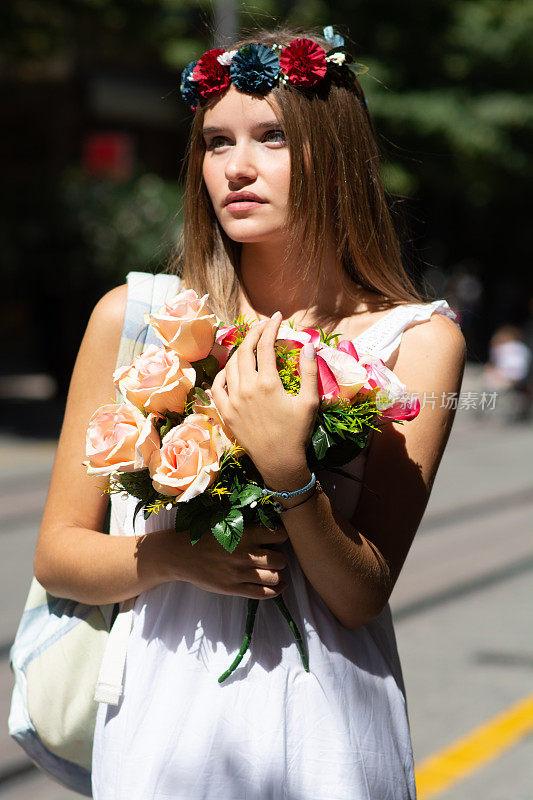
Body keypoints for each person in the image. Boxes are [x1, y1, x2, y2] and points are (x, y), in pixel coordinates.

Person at [33, 26, 466, 800]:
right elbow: (59, 554)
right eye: (214, 142)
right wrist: (173, 559)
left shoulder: (418, 342)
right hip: (160, 722)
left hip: (327, 728)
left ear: (332, 155)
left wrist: (287, 472)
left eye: (271, 139)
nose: (235, 167)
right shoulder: (135, 320)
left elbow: (361, 592)